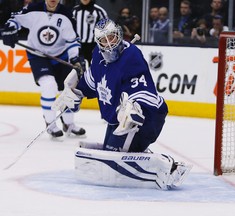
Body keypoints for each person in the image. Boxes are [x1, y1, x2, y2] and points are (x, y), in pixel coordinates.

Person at [52, 18, 191, 189]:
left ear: (118, 34)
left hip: (145, 117)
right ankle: (150, 159)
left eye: (112, 37)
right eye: (104, 39)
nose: (109, 43)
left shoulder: (132, 56)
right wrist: (74, 91)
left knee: (116, 164)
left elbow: (145, 91)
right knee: (114, 154)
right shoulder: (97, 55)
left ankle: (169, 167)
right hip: (118, 121)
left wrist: (133, 107)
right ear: (98, 42)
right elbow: (92, 82)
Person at [1, 0, 86, 138]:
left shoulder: (66, 14)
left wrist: (75, 58)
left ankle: (69, 123)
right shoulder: (33, 8)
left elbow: (72, 41)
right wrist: (10, 28)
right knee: (49, 85)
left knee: (69, 88)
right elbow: (16, 19)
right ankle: (50, 123)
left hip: (61, 56)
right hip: (38, 55)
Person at [72, 0, 108, 66]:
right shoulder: (74, 11)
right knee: (77, 68)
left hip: (93, 45)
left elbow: (106, 28)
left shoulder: (99, 11)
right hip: (77, 45)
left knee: (93, 67)